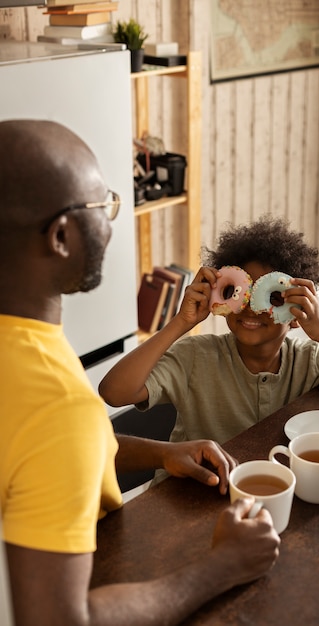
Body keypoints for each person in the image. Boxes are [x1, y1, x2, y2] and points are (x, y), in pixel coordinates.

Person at [0, 119, 280, 626]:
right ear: (62, 236)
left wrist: (161, 453)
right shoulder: (57, 407)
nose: (112, 218)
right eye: (102, 204)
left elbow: (30, 454)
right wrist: (220, 568)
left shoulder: (21, 344)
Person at [99, 215, 319, 466]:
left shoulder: (311, 360)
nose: (252, 307)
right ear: (221, 301)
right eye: (239, 292)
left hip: (268, 491)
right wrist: (180, 323)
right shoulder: (194, 356)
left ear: (295, 314)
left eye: (271, 296)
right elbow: (114, 392)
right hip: (191, 494)